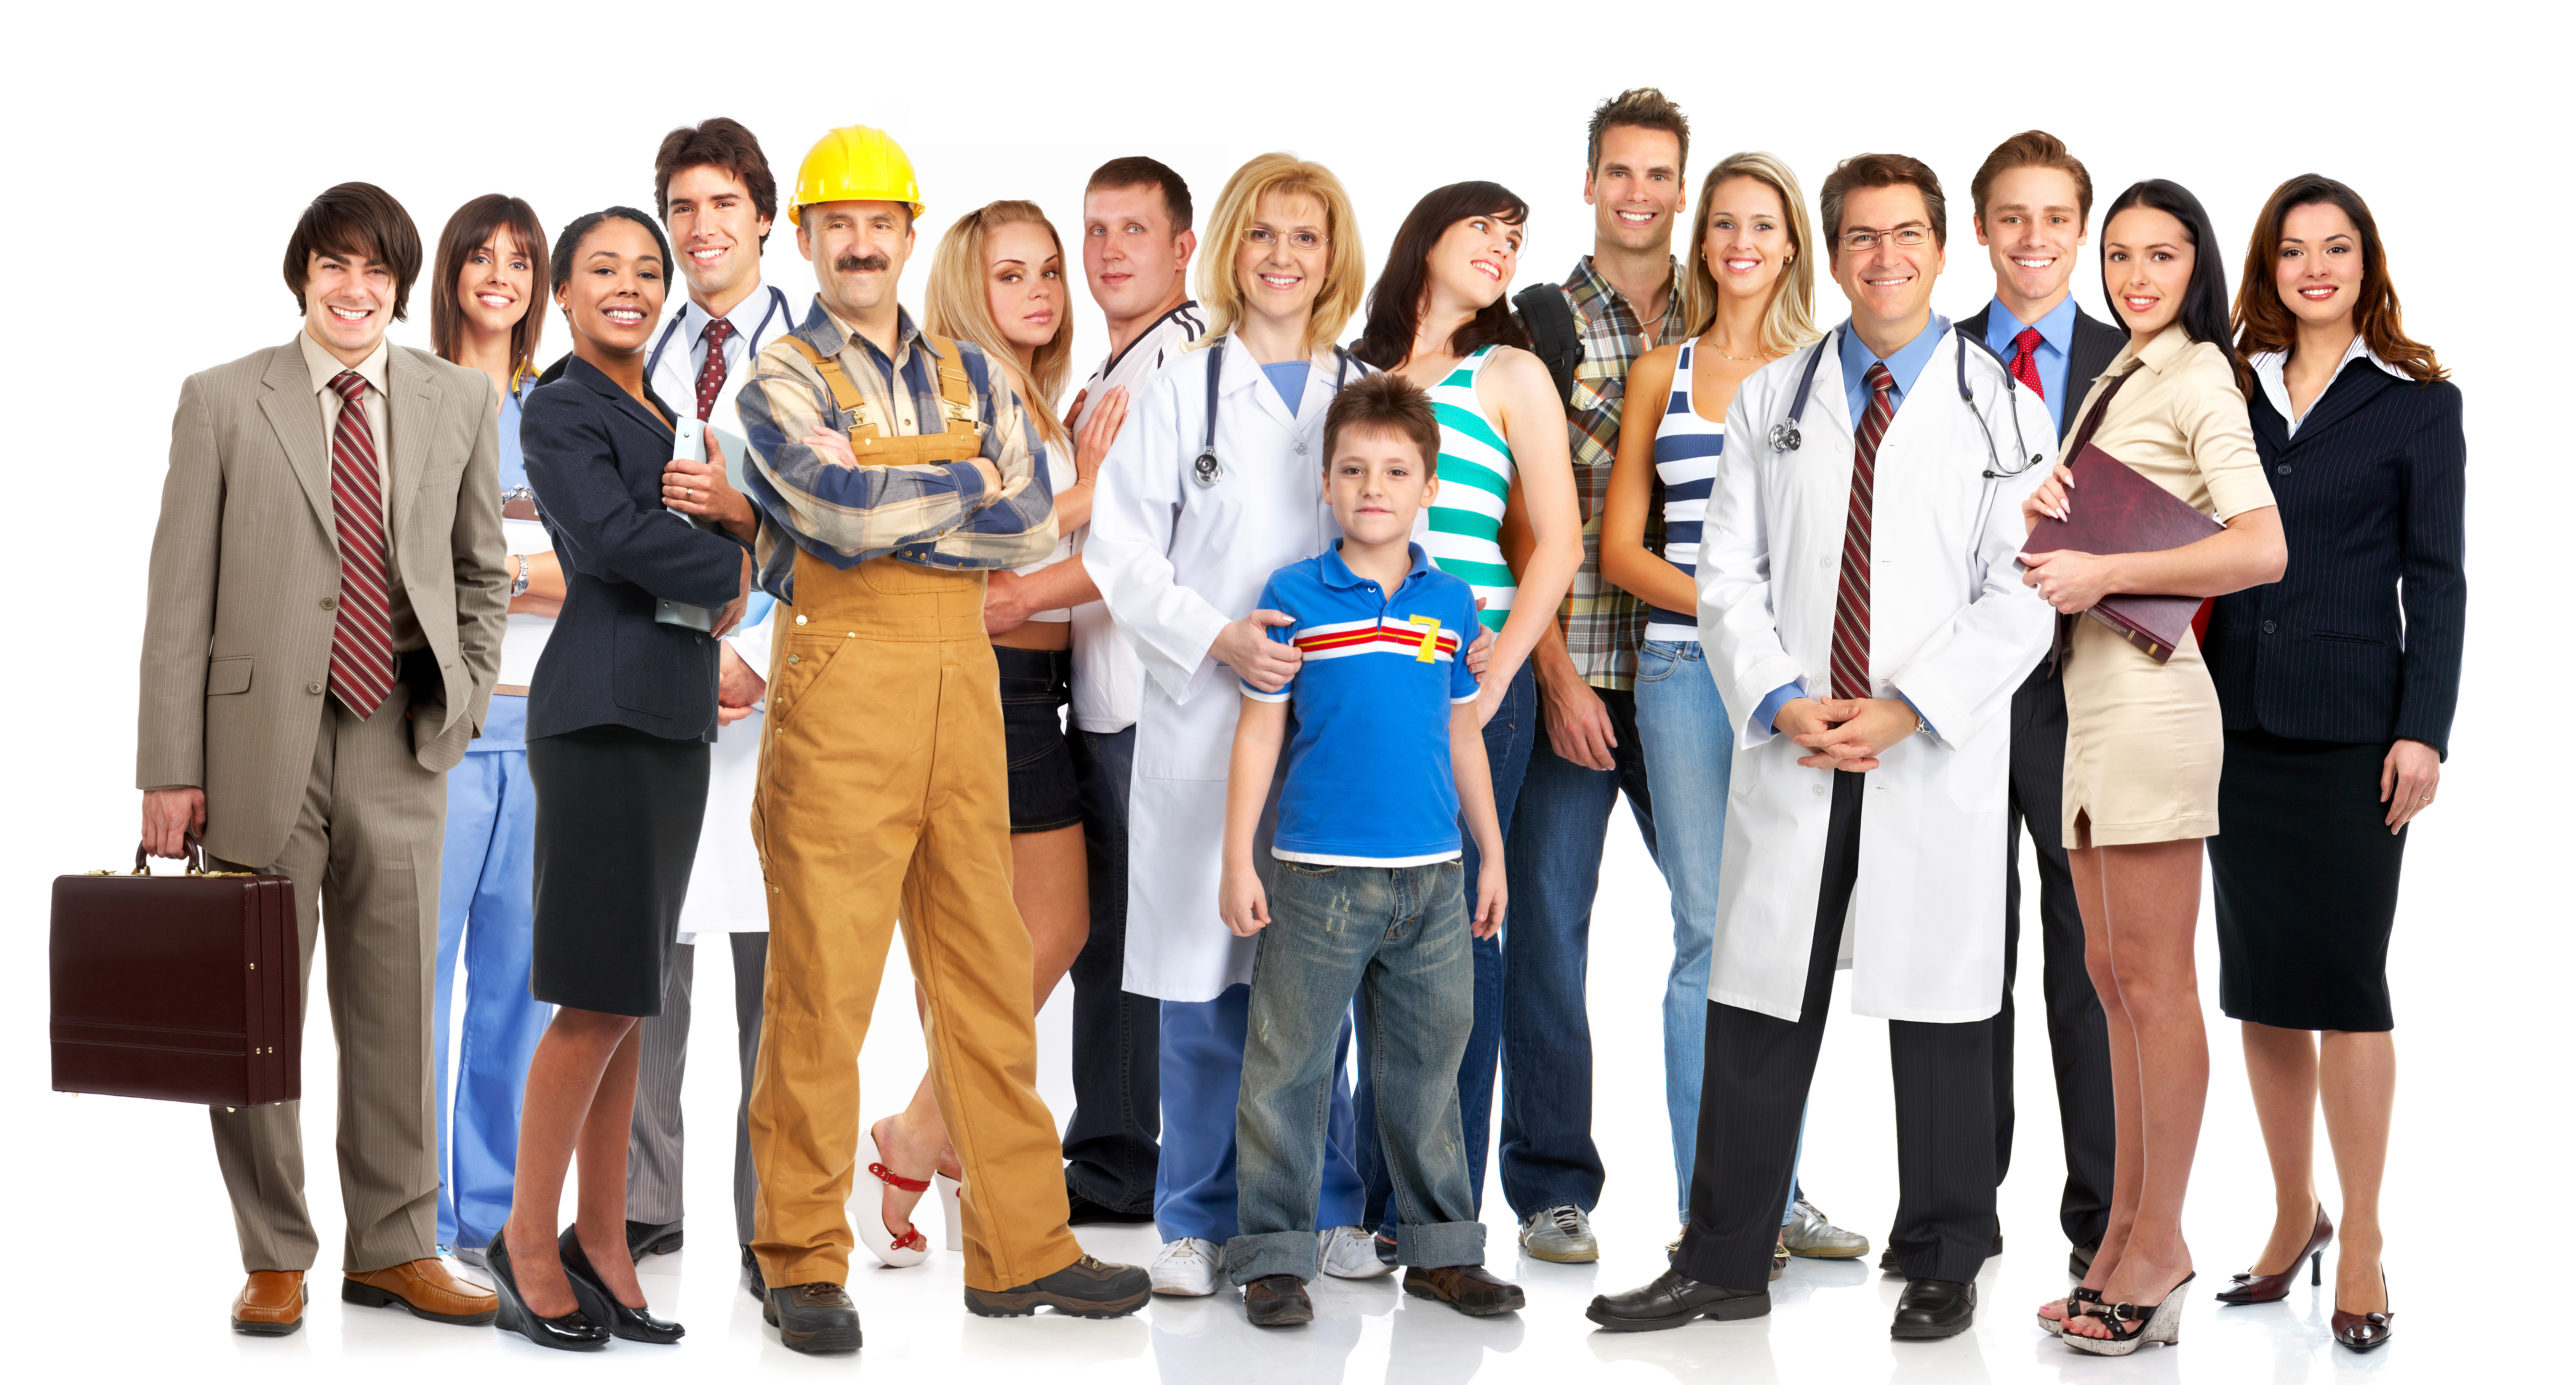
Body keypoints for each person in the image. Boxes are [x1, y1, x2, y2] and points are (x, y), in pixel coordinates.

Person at [1585, 153, 2057, 1342]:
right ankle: (1727, 1254)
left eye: (1906, 236)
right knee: (1754, 993)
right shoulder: (1771, 399)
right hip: (1794, 736)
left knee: (1946, 1004)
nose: (1884, 258)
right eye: (1861, 237)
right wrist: (1782, 696)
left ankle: (1945, 1252)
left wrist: (1911, 707)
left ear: (1940, 252)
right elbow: (1723, 572)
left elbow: (2024, 594)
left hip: (1926, 747)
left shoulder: (2003, 406)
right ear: (1832, 252)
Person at [726, 124, 1147, 1353]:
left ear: (909, 236)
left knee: (982, 980)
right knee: (822, 994)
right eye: (836, 224)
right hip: (843, 693)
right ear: (805, 238)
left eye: (881, 223)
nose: (860, 243)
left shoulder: (971, 372)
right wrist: (951, 483)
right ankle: (801, 1253)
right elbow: (832, 512)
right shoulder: (777, 379)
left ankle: (1020, 1248)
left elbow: (1025, 522)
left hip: (964, 689)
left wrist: (907, 477)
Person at [138, 181, 507, 1337]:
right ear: (303, 273)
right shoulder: (221, 400)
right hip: (254, 749)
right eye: (334, 266)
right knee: (250, 1007)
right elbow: (177, 595)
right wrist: (167, 763)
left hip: (401, 735)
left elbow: (484, 570)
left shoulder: (455, 398)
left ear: (401, 288)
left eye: (377, 273)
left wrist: (464, 706)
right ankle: (274, 1249)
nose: (355, 291)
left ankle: (395, 1242)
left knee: (397, 1005)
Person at [1083, 152, 1382, 1297]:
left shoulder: (1366, 385)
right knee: (1206, 981)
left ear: (1331, 257)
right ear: (1229, 250)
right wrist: (1219, 638)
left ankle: (1328, 1206)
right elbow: (1118, 552)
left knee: (1323, 974)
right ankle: (1194, 1216)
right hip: (1209, 717)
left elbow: (1399, 530)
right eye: (1261, 235)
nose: (1281, 258)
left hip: (1336, 724)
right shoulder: (1179, 390)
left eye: (1304, 237)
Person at [2016, 179, 2289, 1355]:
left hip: (2152, 703)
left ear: (2197, 266)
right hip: (2092, 702)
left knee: (2154, 982)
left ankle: (2160, 1242)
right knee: (2112, 978)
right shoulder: (2116, 376)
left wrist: (2097, 571)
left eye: (2160, 254)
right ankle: (2123, 1233)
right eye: (2119, 254)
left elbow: (2260, 542)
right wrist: (2050, 511)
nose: (2134, 274)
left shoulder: (2196, 374)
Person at [489, 205, 756, 1351]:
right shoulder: (560, 405)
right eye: (604, 268)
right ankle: (525, 1241)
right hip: (597, 715)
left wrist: (730, 552)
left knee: (635, 992)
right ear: (563, 290)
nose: (632, 286)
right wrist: (736, 565)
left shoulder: (660, 408)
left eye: (649, 271)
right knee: (594, 994)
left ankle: (605, 1242)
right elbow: (608, 542)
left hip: (668, 713)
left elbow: (683, 540)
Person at [2203, 173, 2462, 1355]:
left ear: (2366, 264)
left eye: (2337, 248)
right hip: (2235, 719)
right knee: (2261, 982)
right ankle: (2287, 1210)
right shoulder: (2227, 386)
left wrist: (2425, 726)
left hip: (2357, 727)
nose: (2315, 267)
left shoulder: (2416, 402)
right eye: (2295, 249)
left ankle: (2359, 1232)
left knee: (2348, 984)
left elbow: (2436, 577)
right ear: (2268, 265)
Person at [1220, 372, 1526, 1327]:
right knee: (1289, 1068)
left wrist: (1492, 853)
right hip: (1315, 878)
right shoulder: (1293, 594)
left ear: (1429, 485)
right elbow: (1260, 733)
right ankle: (1274, 1255)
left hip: (1434, 878)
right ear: (1325, 481)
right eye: (1353, 468)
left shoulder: (1456, 603)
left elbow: (1464, 735)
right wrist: (1240, 859)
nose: (1373, 486)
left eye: (1396, 470)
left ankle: (1441, 1252)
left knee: (1430, 1068)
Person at [1597, 151, 1843, 1260]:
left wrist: (1773, 645)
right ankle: (1715, 1210)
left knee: (1776, 938)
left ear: (1792, 244)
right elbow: (1618, 550)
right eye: (1724, 225)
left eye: (1763, 225)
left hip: (1791, 687)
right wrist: (1734, 614)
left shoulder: (1826, 370)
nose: (1741, 242)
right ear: (1703, 243)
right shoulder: (1662, 371)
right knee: (1704, 932)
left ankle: (1773, 1195)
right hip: (1687, 675)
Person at [851, 198, 1090, 1266]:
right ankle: (917, 1133)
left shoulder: (1025, 391)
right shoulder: (953, 384)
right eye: (1010, 275)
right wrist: (1086, 485)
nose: (1038, 290)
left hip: (1035, 681)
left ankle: (924, 1134)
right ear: (964, 285)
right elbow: (971, 527)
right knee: (1027, 935)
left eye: (1048, 271)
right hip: (988, 679)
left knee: (1025, 937)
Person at [1345, 180, 1580, 1254]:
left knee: (1462, 934)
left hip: (1474, 675)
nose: (1500, 246)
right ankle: (1370, 1201)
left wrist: (1497, 681)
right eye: (1481, 225)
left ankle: (1442, 1210)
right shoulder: (1356, 375)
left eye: (1515, 236)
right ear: (1426, 237)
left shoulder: (1511, 372)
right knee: (1356, 931)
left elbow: (1560, 544)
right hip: (1357, 683)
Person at [1498, 88, 1690, 1263]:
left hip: (1687, 670)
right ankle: (1552, 1185)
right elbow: (1519, 510)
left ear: (1681, 183)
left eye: (1658, 174)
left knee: (1735, 930)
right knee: (1546, 932)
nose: (1638, 194)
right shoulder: (1534, 321)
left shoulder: (1728, 301)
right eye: (1618, 171)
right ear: (1588, 182)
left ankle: (1756, 1183)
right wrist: (1559, 678)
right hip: (1574, 668)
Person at [623, 116, 797, 1300]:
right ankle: (640, 1203)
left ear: (764, 220)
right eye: (681, 207)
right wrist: (691, 658)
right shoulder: (633, 345)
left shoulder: (821, 349)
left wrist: (759, 657)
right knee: (647, 962)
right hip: (658, 679)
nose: (700, 228)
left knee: (780, 973)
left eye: (722, 204)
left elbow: (839, 529)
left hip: (785, 689)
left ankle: (772, 1213)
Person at [1952, 130, 2126, 1283]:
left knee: (2089, 960)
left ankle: (2105, 1219)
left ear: (2080, 228)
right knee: (1965, 954)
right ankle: (1960, 1214)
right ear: (1980, 229)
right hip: (1961, 698)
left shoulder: (2136, 360)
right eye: (2009, 217)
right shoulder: (1935, 354)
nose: (2031, 238)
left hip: (2090, 695)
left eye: (2052, 217)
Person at [1035, 155, 1205, 1226]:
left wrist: (1003, 598)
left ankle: (1137, 1164)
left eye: (1132, 230)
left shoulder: (1180, 362)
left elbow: (1138, 545)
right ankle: (1110, 1154)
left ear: (1183, 246)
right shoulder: (1108, 370)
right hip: (1098, 696)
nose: (1107, 251)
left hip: (1155, 696)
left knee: (1154, 941)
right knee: (1108, 938)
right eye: (1094, 230)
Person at [424, 193, 559, 1268]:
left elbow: (596, 567)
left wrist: (498, 571)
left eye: (521, 259)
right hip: (436, 737)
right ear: (453, 274)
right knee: (410, 986)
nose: (499, 274)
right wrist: (524, 572)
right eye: (482, 255)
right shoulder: (404, 400)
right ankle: (409, 1218)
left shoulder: (559, 413)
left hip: (544, 735)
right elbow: (399, 574)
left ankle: (495, 1216)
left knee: (517, 990)